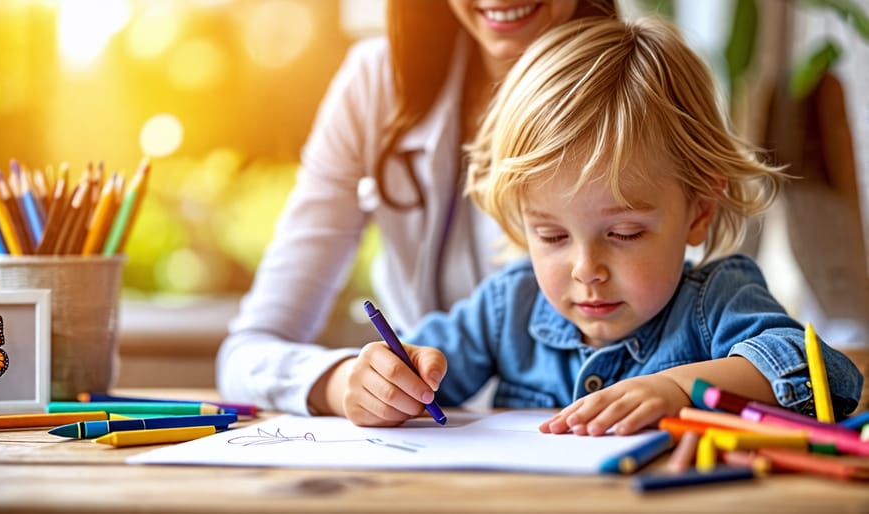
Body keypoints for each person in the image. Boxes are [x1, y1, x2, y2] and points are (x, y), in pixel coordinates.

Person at [308, 16, 865, 434]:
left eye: (623, 234)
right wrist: (380, 383)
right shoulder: (509, 306)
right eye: (550, 236)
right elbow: (418, 370)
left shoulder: (716, 302)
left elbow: (829, 376)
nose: (586, 270)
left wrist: (678, 389)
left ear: (698, 211)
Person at [217, 0, 618, 412]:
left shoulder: (638, 95)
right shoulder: (376, 82)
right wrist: (345, 383)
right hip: (422, 441)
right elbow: (246, 354)